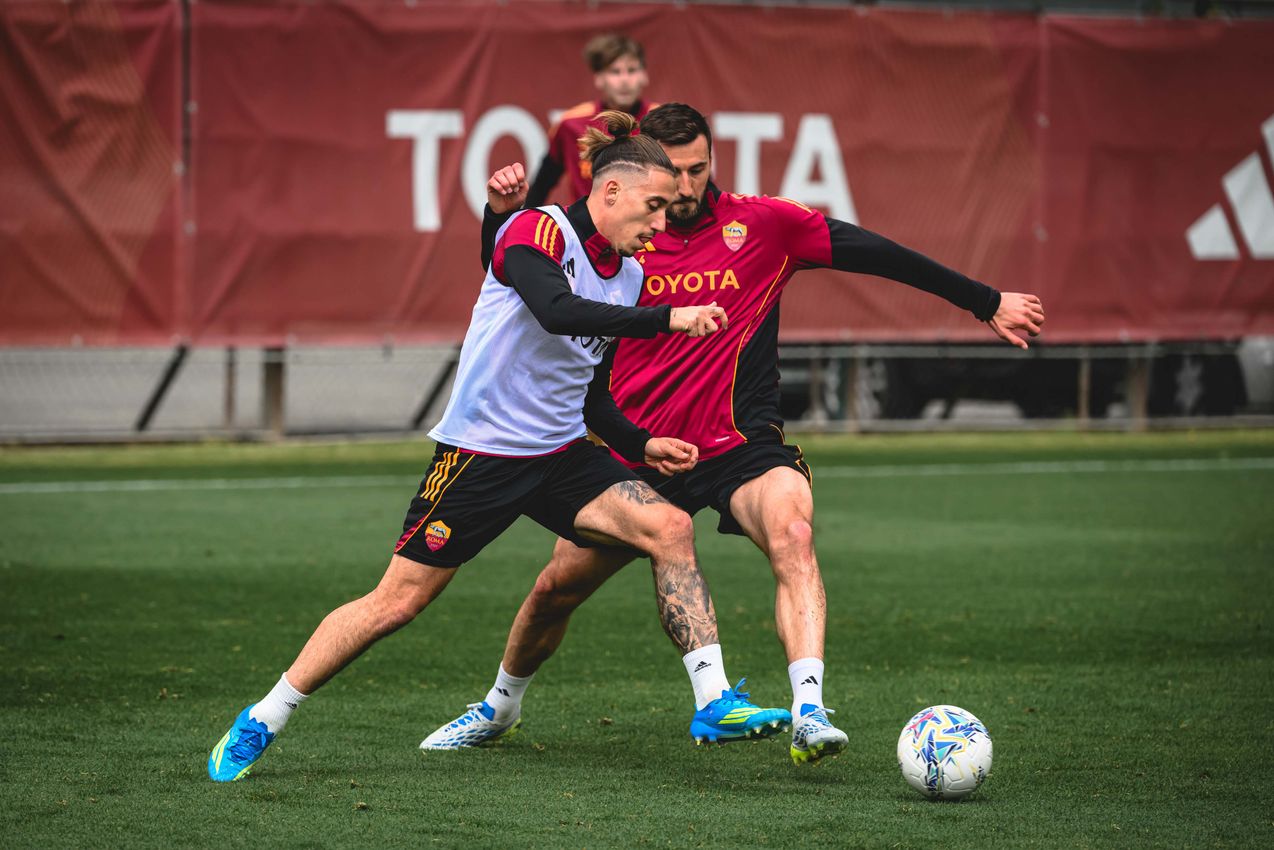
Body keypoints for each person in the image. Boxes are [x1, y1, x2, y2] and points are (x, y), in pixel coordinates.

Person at [427, 103, 1047, 764]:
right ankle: (499, 706)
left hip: (739, 447)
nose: (688, 187)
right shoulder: (618, 233)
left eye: (699, 168)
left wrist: (985, 301)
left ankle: (809, 710)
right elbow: (524, 282)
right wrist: (499, 215)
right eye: (674, 174)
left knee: (795, 534)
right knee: (555, 590)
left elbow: (878, 254)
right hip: (638, 448)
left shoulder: (767, 224)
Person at [207, 111, 790, 783]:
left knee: (669, 525)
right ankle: (266, 715)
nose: (663, 224)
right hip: (480, 457)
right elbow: (554, 310)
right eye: (653, 206)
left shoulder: (627, 276)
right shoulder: (534, 227)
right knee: (397, 603)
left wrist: (640, 441)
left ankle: (713, 701)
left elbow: (592, 391)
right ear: (609, 191)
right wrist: (666, 318)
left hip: (562, 454)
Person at [524, 33, 656, 208]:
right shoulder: (570, 124)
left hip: (647, 231)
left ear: (644, 76)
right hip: (585, 232)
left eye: (632, 70)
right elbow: (542, 184)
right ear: (599, 79)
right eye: (615, 72)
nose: (625, 80)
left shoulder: (663, 122)